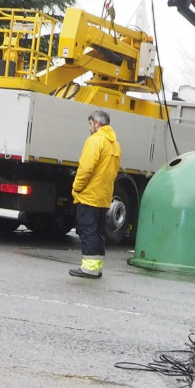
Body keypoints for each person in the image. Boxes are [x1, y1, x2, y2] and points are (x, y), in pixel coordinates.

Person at [68, 108, 121, 280]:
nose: (89, 127)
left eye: (91, 124)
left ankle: (89, 269)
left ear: (97, 124)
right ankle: (96, 267)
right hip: (103, 196)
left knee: (87, 230)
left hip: (88, 195)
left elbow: (86, 169)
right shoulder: (114, 144)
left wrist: (76, 187)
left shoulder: (95, 141)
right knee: (98, 232)